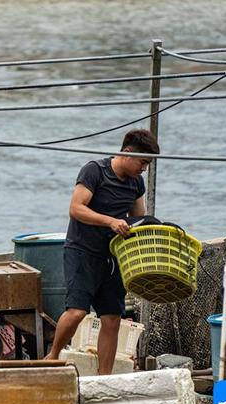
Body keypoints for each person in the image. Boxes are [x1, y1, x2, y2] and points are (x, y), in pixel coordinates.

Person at [45, 129, 159, 375]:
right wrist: (110, 221)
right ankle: (52, 357)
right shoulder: (95, 171)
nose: (144, 169)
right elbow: (76, 208)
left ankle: (104, 377)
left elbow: (137, 219)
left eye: (148, 164)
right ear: (127, 153)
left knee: (112, 318)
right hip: (82, 251)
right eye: (143, 162)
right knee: (77, 312)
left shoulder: (136, 183)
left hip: (113, 258)